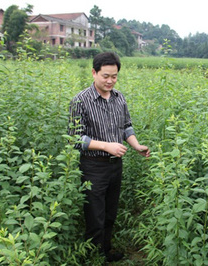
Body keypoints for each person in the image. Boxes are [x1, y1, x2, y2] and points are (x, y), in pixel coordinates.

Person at [68, 52, 150, 262]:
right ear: (94, 73)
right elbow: (75, 138)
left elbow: (126, 126)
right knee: (95, 216)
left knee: (110, 213)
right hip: (93, 166)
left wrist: (136, 145)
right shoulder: (80, 101)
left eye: (114, 76)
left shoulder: (119, 97)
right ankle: (94, 257)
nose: (110, 81)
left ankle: (106, 249)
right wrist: (107, 146)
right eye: (105, 76)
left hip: (116, 165)